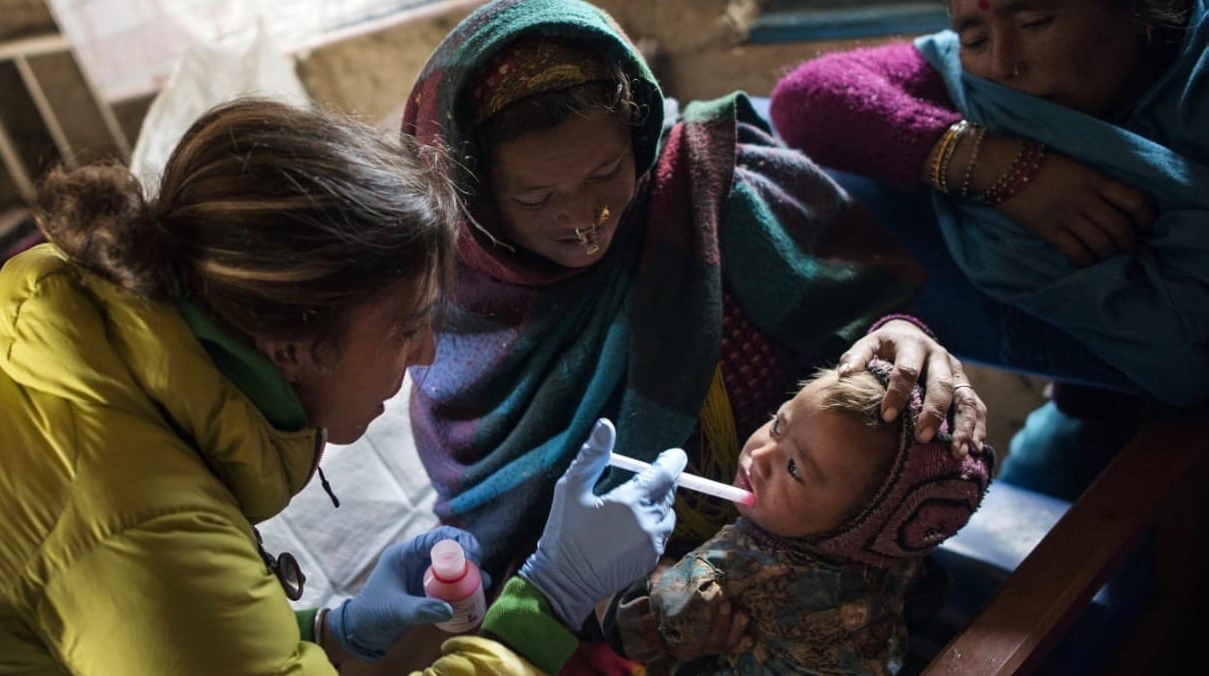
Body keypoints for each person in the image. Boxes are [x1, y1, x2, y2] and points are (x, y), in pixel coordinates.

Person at [0, 97, 689, 675]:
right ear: (291, 346)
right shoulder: (129, 515)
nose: (425, 353)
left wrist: (331, 635)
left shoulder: (93, 363)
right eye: (404, 325)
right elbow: (155, 588)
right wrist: (547, 600)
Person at [402, 0, 989, 587]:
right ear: (472, 200)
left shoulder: (711, 193)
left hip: (828, 564)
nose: (586, 218)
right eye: (535, 200)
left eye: (606, 171)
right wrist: (624, 594)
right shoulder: (458, 325)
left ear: (636, 135)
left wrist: (899, 335)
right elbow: (501, 536)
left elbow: (864, 315)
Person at [769, 1, 1209, 495]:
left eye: (1035, 21)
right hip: (1094, 403)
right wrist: (987, 164)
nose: (1003, 63)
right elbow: (805, 98)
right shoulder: (981, 90)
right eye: (975, 39)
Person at [601, 361, 993, 675]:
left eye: (794, 469)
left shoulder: (743, 560)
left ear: (852, 526)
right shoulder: (893, 554)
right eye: (778, 424)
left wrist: (659, 572)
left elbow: (645, 627)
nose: (761, 455)